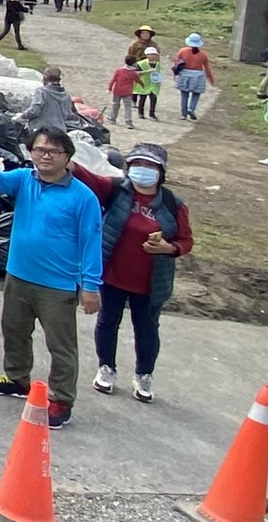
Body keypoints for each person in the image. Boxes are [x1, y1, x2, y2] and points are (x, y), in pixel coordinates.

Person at [0, 124, 103, 429]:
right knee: (14, 330)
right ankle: (18, 378)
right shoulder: (24, 179)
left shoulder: (83, 198)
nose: (45, 156)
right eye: (39, 150)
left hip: (57, 285)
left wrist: (90, 286)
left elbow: (91, 243)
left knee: (61, 345)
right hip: (18, 274)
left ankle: (61, 399)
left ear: (67, 156)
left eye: (53, 151)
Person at [66, 141, 192, 405]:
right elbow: (85, 176)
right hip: (112, 275)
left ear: (161, 171)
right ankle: (106, 368)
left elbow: (186, 240)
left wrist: (169, 247)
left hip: (150, 283)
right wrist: (62, 155)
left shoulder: (172, 204)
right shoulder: (115, 190)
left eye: (150, 165)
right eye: (137, 164)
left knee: (146, 329)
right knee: (107, 322)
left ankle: (144, 374)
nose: (142, 170)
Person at [19, 67, 79, 135]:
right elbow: (68, 114)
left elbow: (34, 110)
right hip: (60, 131)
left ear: (45, 77)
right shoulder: (65, 94)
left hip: (41, 130)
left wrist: (22, 116)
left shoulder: (42, 92)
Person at [173, 33, 214, 121]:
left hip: (185, 74)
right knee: (196, 94)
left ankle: (183, 114)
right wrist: (210, 78)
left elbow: (176, 63)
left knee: (184, 94)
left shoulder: (182, 51)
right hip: (198, 75)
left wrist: (175, 74)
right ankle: (191, 108)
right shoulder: (203, 54)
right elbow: (206, 67)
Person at [107, 55, 140, 131]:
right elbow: (138, 80)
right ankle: (128, 122)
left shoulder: (119, 70)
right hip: (127, 92)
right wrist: (142, 85)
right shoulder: (133, 73)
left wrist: (109, 88)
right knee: (127, 107)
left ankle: (113, 118)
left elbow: (113, 80)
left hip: (117, 91)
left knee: (115, 105)